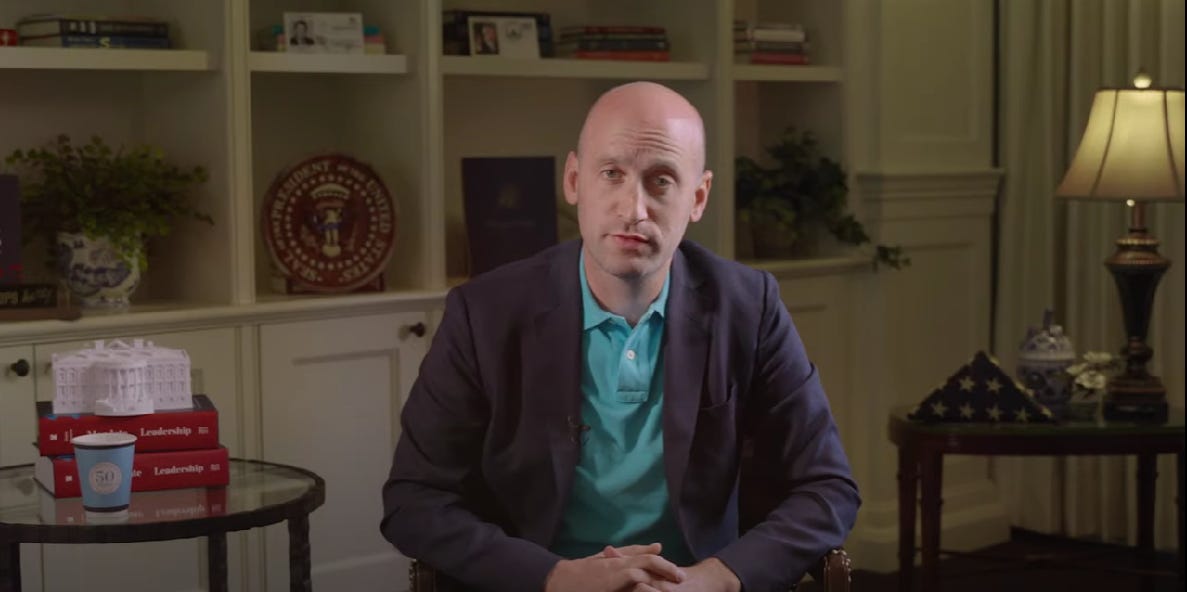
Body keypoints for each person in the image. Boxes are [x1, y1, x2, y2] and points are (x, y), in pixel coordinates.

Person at [381, 81, 859, 592]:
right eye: (612, 174)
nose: (634, 209)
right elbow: (414, 500)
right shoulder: (485, 313)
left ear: (698, 198)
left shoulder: (749, 306)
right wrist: (555, 577)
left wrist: (714, 580)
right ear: (573, 181)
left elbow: (827, 488)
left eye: (661, 180)